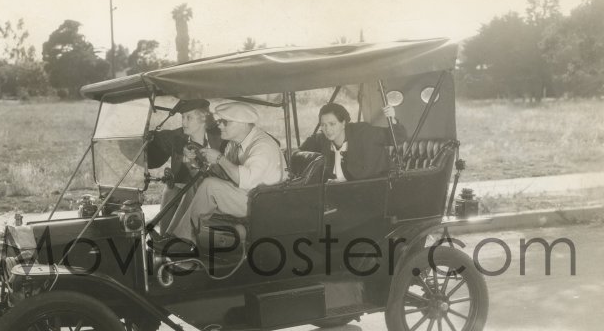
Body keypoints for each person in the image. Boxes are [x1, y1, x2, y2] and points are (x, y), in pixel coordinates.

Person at [156, 101, 285, 253]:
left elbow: (245, 180)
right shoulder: (235, 144)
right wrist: (193, 164)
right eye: (220, 121)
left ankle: (184, 241)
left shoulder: (262, 146)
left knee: (210, 185)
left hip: (263, 202)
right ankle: (172, 236)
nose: (220, 126)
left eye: (225, 122)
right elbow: (225, 175)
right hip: (250, 195)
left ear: (243, 124)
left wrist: (219, 159)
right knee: (196, 186)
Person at [139, 99, 224, 232]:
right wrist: (149, 139)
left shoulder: (219, 138)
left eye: (189, 118)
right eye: (183, 117)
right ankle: (164, 238)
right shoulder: (176, 136)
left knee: (191, 194)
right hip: (177, 186)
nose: (183, 122)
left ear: (203, 118)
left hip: (205, 187)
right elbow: (154, 145)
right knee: (170, 192)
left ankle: (174, 239)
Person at [299, 102, 406, 182]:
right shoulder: (321, 139)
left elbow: (398, 137)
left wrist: (392, 118)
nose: (327, 129)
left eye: (332, 124)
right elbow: (299, 153)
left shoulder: (363, 132)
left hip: (379, 188)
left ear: (343, 123)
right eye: (323, 125)